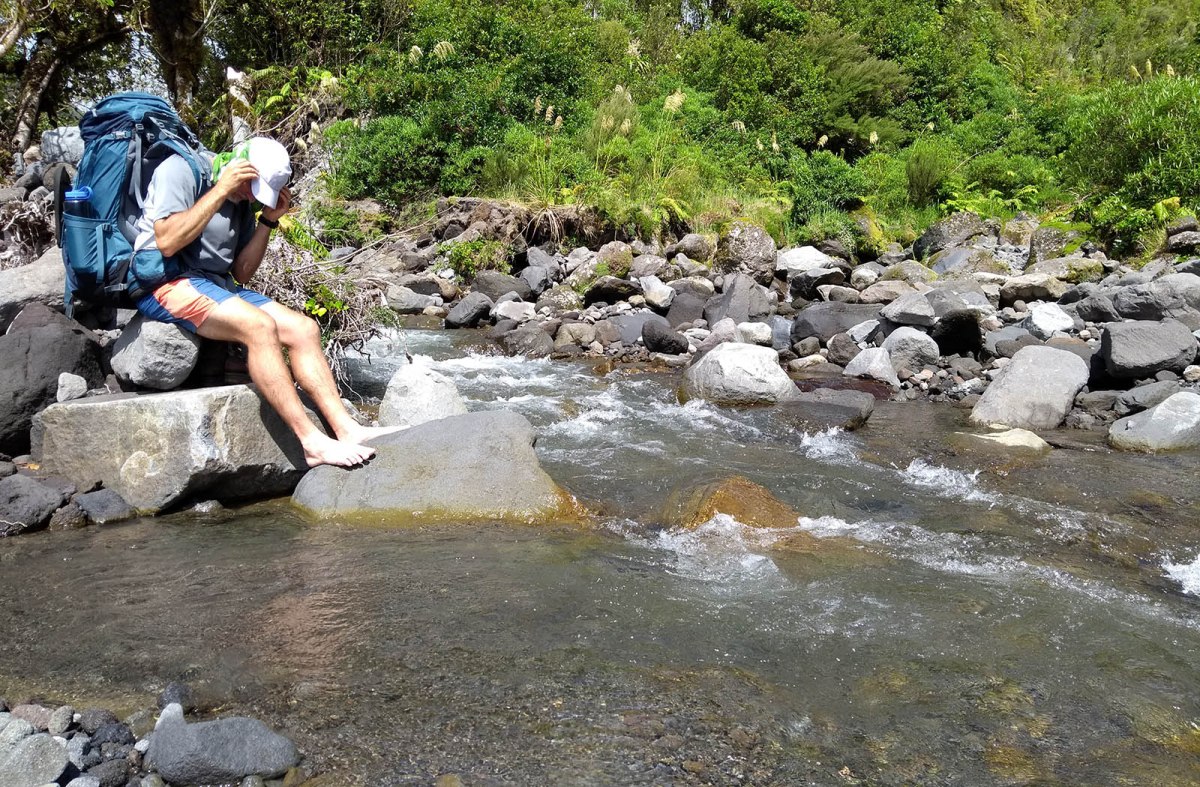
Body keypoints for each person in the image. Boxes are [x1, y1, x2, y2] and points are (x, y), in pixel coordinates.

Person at [133, 136, 397, 468]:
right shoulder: (180, 170)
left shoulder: (242, 199)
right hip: (165, 281)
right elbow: (167, 242)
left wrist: (267, 221)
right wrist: (221, 190)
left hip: (216, 284)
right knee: (259, 327)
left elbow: (241, 272)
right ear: (238, 165)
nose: (251, 197)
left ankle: (347, 429)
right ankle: (311, 442)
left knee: (303, 329)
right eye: (251, 188)